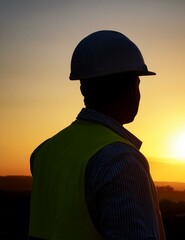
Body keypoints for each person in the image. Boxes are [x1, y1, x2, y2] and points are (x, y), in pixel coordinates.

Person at [29, 30, 166, 240]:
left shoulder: (44, 151)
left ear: (84, 89)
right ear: (130, 88)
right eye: (138, 84)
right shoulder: (120, 160)